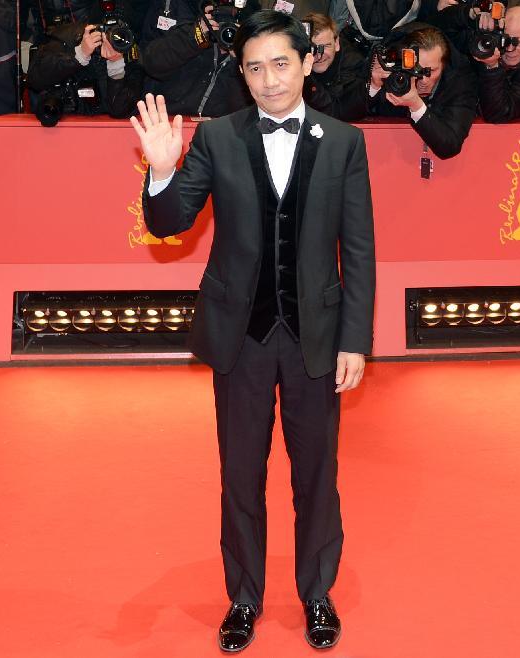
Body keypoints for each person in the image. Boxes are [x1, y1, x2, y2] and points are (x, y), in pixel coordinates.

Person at [130, 9, 375, 653]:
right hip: (239, 338)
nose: (268, 80)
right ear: (242, 73)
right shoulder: (217, 139)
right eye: (255, 67)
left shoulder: (345, 142)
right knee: (240, 473)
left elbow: (361, 250)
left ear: (309, 64)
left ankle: (316, 593)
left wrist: (355, 339)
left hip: (316, 337)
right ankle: (243, 597)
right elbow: (169, 223)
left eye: (280, 64)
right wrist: (160, 170)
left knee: (316, 471)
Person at [368, 24, 478, 158]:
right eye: (417, 70)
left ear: (444, 65)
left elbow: (450, 146)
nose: (424, 79)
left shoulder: (460, 83)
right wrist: (373, 86)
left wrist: (416, 105)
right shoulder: (392, 70)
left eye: (431, 71)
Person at [140, 0, 261, 117]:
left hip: (223, 124)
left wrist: (241, 59)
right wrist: (196, 35)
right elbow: (150, 62)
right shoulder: (172, 6)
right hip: (166, 116)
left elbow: (260, 93)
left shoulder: (254, 14)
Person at [302, 11, 369, 120]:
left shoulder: (353, 64)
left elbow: (336, 112)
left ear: (336, 43)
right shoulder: (293, 63)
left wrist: (306, 78)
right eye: (312, 49)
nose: (319, 56)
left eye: (325, 46)